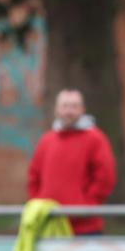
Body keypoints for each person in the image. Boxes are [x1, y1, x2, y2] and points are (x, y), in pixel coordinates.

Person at [27, 89, 116, 235]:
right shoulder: (46, 140)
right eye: (65, 106)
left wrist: (86, 207)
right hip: (49, 225)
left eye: (74, 106)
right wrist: (39, 203)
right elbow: (34, 176)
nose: (69, 111)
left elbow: (105, 178)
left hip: (85, 229)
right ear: (56, 109)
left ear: (83, 109)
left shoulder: (95, 139)